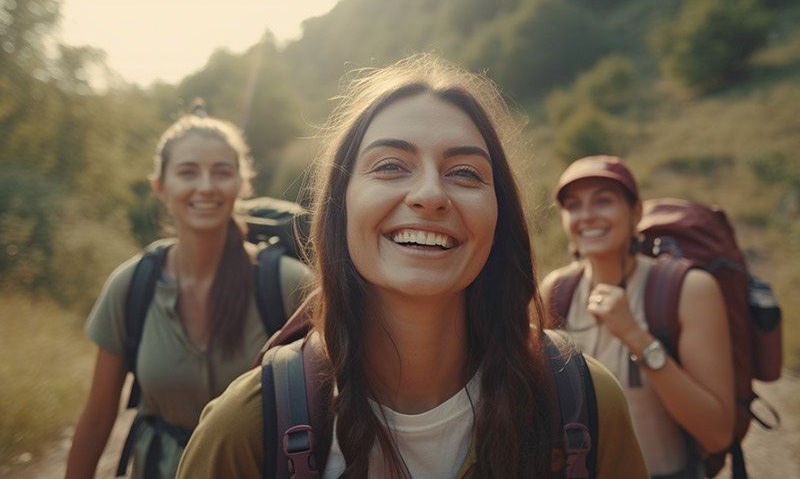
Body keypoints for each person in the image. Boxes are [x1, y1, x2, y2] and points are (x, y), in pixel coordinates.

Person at [175, 54, 648, 478]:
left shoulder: (581, 406)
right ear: (341, 207)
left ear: (499, 215)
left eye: (464, 172)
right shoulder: (247, 429)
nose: (429, 195)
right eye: (390, 166)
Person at [64, 107, 312, 479]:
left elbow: (331, 404)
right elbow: (99, 416)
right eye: (187, 172)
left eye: (222, 172)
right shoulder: (131, 285)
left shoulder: (288, 284)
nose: (206, 186)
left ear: (242, 185)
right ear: (160, 188)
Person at [541, 155, 735, 479]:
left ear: (637, 212)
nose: (586, 216)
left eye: (603, 201)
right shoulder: (557, 291)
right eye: (573, 205)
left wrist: (636, 337)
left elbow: (717, 435)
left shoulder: (689, 289)